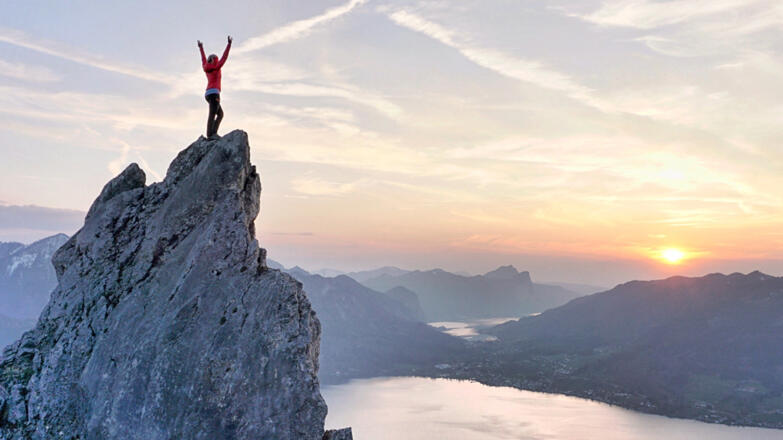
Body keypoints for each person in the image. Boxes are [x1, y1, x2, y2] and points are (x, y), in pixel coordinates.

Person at [198, 36, 232, 139]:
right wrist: (229, 44)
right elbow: (224, 57)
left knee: (220, 114)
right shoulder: (217, 66)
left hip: (208, 94)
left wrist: (201, 48)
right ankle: (211, 135)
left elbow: (203, 59)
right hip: (214, 93)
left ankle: (213, 133)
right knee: (213, 114)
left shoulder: (206, 67)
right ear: (215, 60)